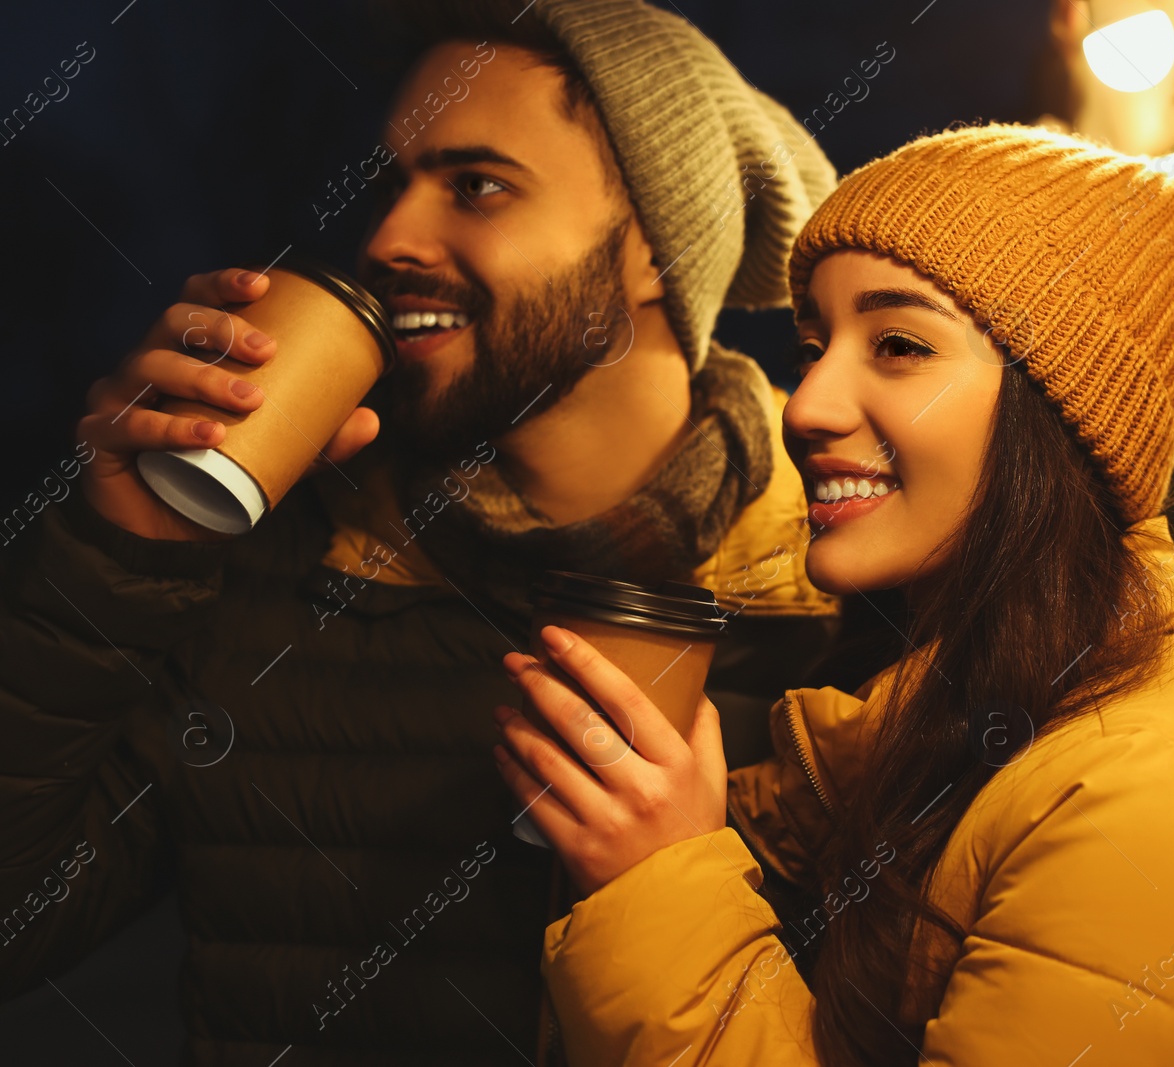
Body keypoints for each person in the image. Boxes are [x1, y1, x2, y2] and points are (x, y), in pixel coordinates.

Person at [494, 124, 1174, 1065]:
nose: (808, 403)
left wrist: (658, 887)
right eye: (816, 343)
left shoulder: (1138, 785)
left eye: (899, 343)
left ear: (1064, 414)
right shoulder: (943, 715)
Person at [0, 1, 836, 1063]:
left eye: (477, 185)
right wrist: (111, 550)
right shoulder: (279, 564)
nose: (390, 238)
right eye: (396, 182)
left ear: (657, 252)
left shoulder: (844, 600)